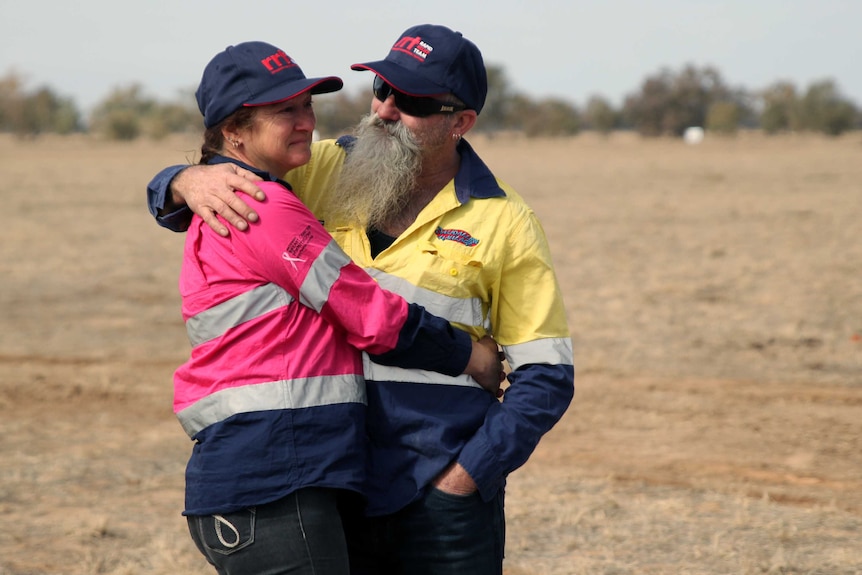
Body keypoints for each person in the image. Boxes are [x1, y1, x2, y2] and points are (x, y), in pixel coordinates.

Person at [148, 25, 575, 575]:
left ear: (461, 122)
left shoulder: (506, 221)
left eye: (414, 100)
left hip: (438, 499)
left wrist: (468, 476)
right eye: (381, 87)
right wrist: (184, 179)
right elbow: (237, 170)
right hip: (325, 488)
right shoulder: (315, 170)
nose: (386, 109)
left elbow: (547, 376)